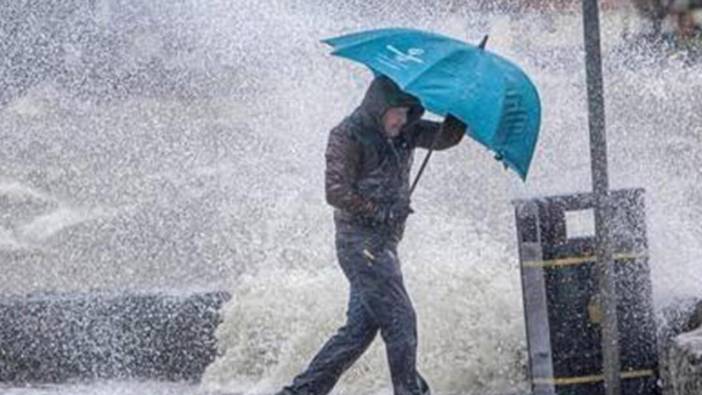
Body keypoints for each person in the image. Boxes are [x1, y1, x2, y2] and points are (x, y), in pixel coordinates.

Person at [275, 75, 466, 395]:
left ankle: (300, 392)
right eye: (397, 112)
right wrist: (381, 212)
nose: (401, 120)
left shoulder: (406, 131)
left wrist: (461, 106)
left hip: (385, 243)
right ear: (379, 107)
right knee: (401, 321)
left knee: (358, 331)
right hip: (358, 243)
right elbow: (335, 191)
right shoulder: (347, 134)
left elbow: (446, 137)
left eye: (408, 113)